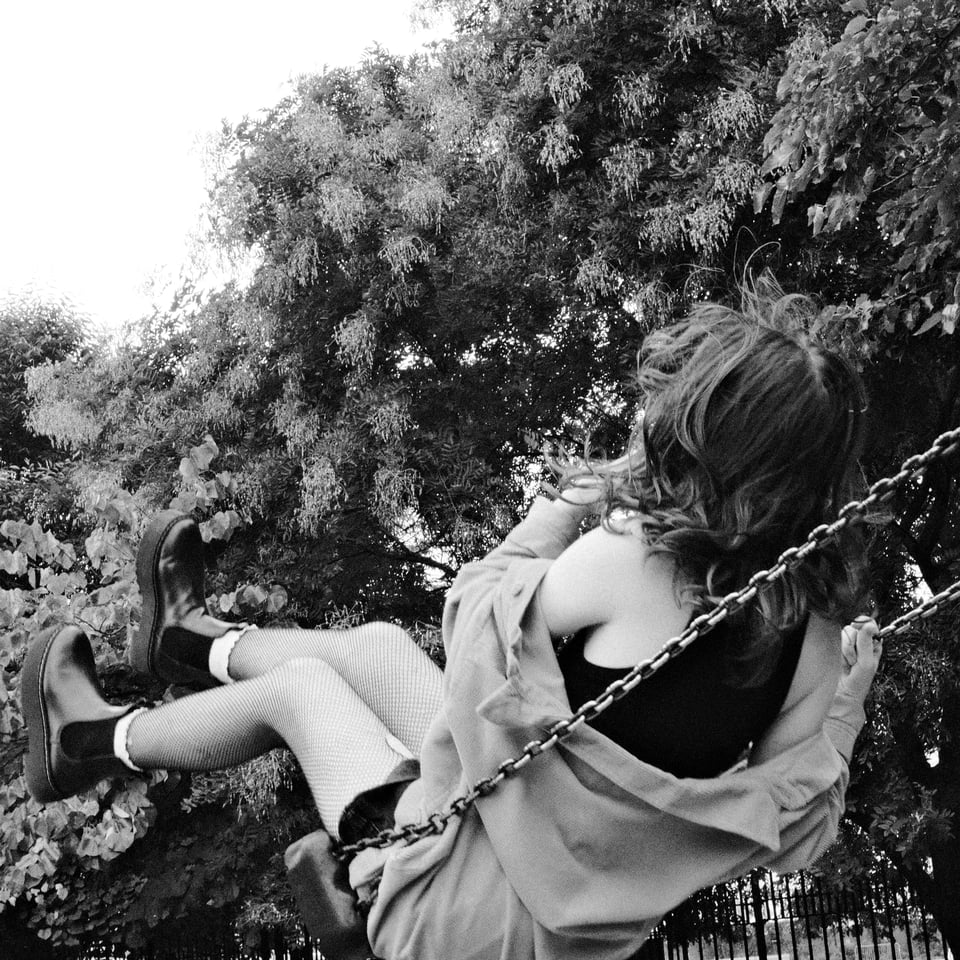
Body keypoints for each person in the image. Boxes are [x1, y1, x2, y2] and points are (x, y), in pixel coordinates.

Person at [21, 286, 883, 960]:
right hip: (544, 899)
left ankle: (94, 740)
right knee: (379, 649)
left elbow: (474, 621)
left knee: (305, 689)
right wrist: (850, 697)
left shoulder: (637, 561)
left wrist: (566, 505)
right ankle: (189, 644)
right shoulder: (808, 633)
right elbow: (797, 825)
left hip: (451, 907)